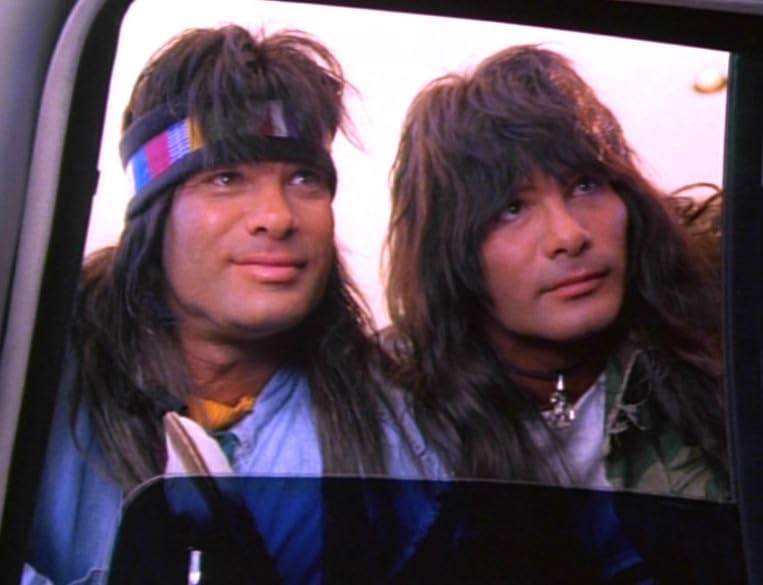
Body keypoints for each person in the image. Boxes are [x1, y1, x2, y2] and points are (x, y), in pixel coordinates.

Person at [24, 25, 443, 585]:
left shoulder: (402, 439)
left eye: (304, 178)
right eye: (226, 178)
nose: (278, 216)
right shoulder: (32, 378)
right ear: (153, 214)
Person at [385, 45, 729, 499]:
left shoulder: (718, 317)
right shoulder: (392, 407)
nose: (568, 235)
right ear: (450, 250)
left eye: (585, 185)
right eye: (511, 208)